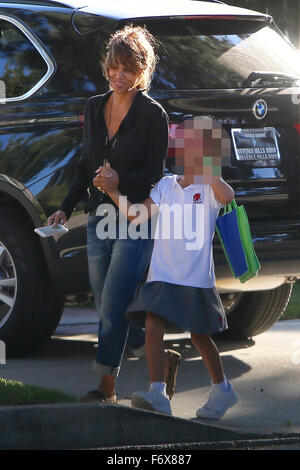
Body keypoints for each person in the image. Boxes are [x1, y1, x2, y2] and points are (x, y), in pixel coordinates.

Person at [48, 24, 181, 403]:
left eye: (129, 69)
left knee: (113, 301)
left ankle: (105, 388)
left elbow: (155, 175)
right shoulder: (93, 108)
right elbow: (84, 163)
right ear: (107, 67)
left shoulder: (153, 114)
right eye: (114, 67)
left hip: (136, 218)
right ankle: (158, 357)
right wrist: (64, 206)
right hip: (99, 217)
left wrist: (120, 178)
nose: (119, 76)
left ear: (143, 72)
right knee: (108, 301)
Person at [101, 117, 239, 418]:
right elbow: (137, 215)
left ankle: (223, 390)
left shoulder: (209, 189)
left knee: (200, 337)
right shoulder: (166, 185)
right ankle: (158, 393)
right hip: (162, 274)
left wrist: (208, 168)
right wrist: (113, 191)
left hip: (195, 278)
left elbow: (228, 196)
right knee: (152, 327)